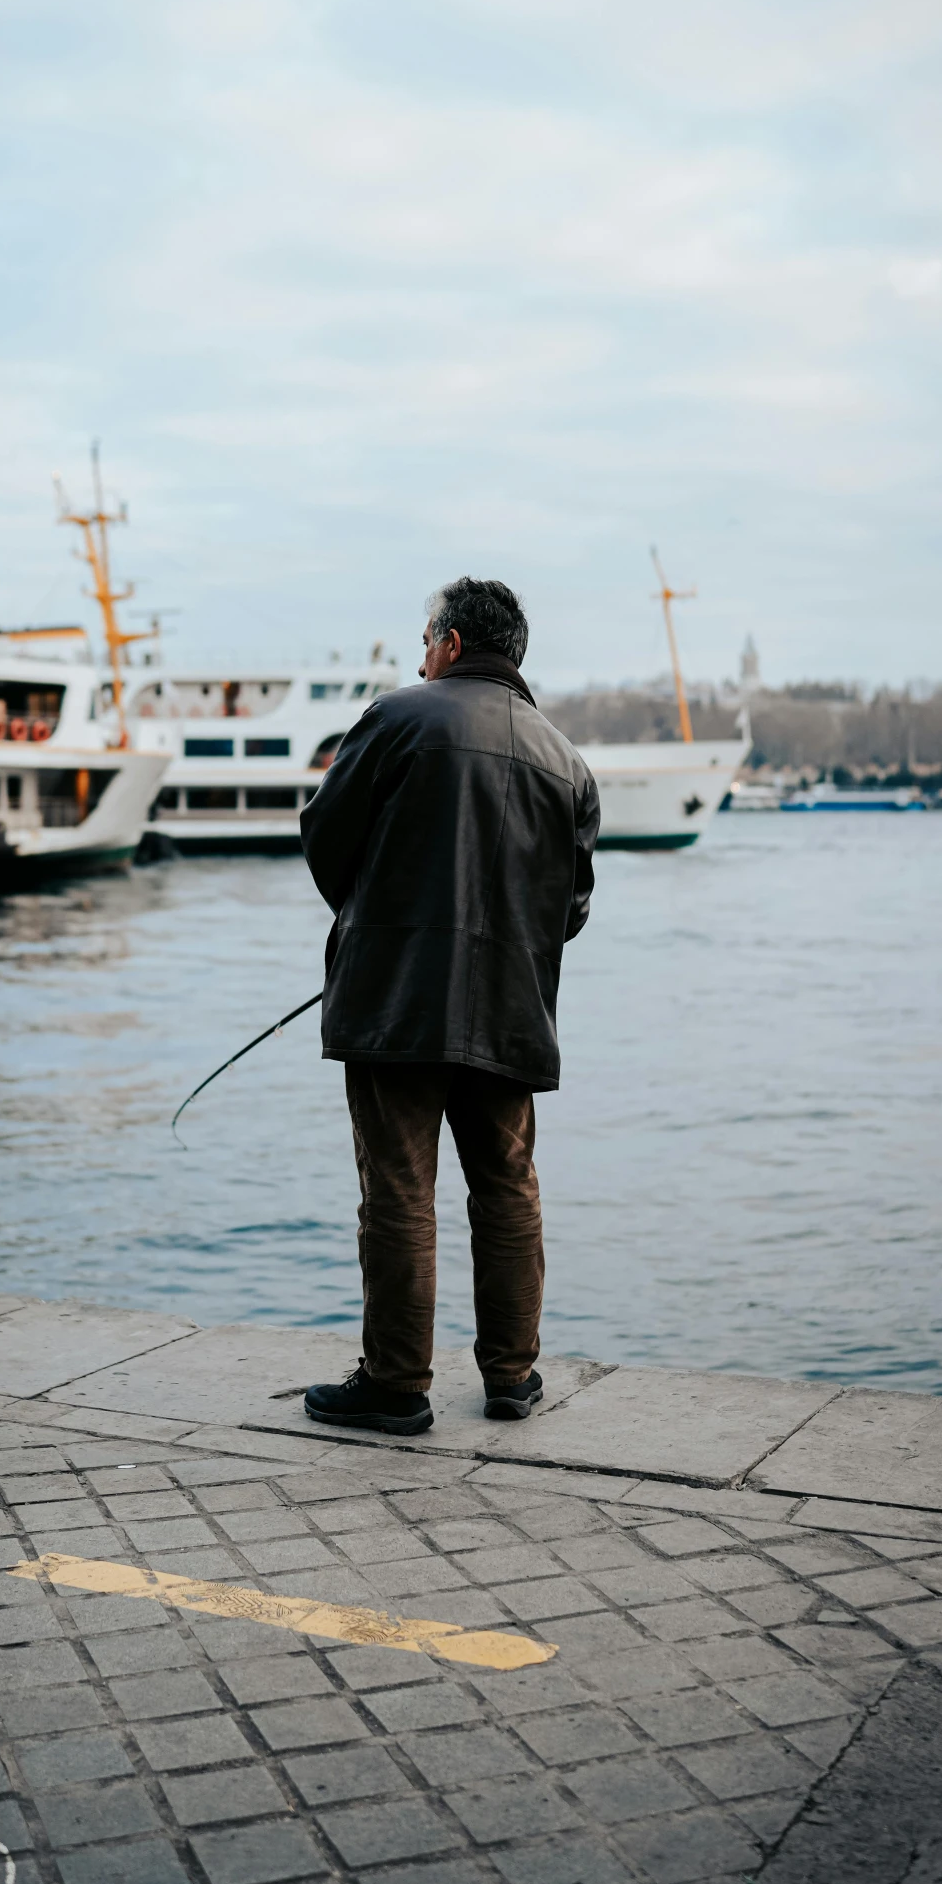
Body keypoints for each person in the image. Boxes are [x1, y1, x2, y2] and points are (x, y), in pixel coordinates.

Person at [298, 576, 599, 1435]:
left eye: (425, 636)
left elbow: (325, 837)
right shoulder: (566, 761)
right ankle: (511, 1375)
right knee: (506, 1185)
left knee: (399, 1189)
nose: (419, 652)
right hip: (508, 1009)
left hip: (395, 1000)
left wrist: (371, 917)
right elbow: (569, 910)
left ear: (453, 643)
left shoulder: (398, 717)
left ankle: (397, 1384)